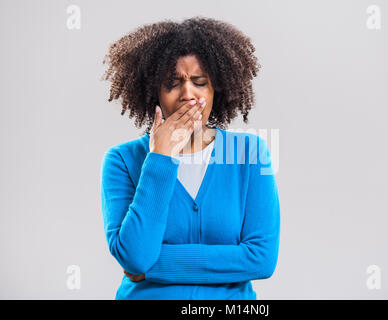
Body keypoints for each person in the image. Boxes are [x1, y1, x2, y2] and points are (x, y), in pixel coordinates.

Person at [100, 16, 280, 300]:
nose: (188, 94)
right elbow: (135, 257)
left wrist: (153, 268)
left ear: (214, 90)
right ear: (154, 93)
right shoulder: (122, 160)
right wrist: (160, 157)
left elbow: (261, 258)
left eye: (199, 82)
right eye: (173, 83)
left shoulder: (251, 154)